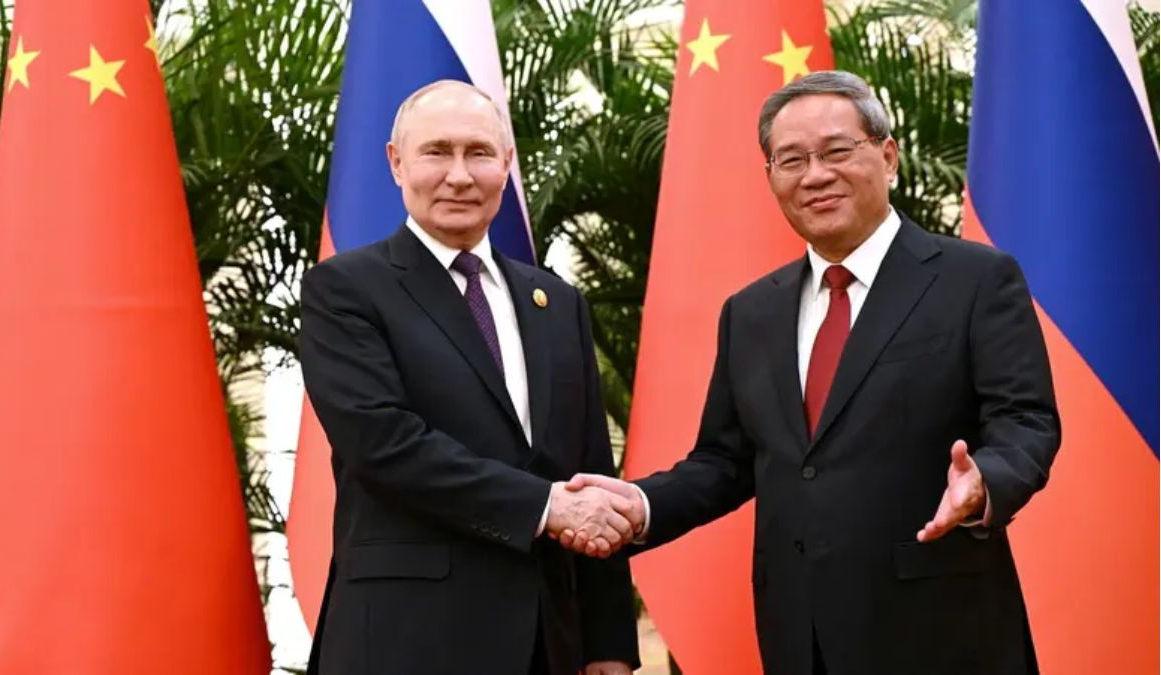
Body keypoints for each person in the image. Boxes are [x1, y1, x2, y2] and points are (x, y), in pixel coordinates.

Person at [565, 70, 1061, 675]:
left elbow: (1026, 420)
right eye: (791, 159)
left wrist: (986, 480)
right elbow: (726, 461)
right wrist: (641, 504)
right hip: (801, 638)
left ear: (888, 157)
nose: (815, 175)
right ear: (771, 176)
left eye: (836, 151)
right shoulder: (751, 311)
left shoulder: (976, 279)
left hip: (942, 631)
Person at [300, 79, 639, 675]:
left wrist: (608, 642)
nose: (459, 175)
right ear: (396, 163)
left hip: (547, 642)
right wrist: (543, 506)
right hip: (407, 640)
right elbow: (384, 444)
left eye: (479, 152)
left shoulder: (557, 303)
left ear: (506, 164)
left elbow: (590, 470)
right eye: (436, 151)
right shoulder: (346, 289)